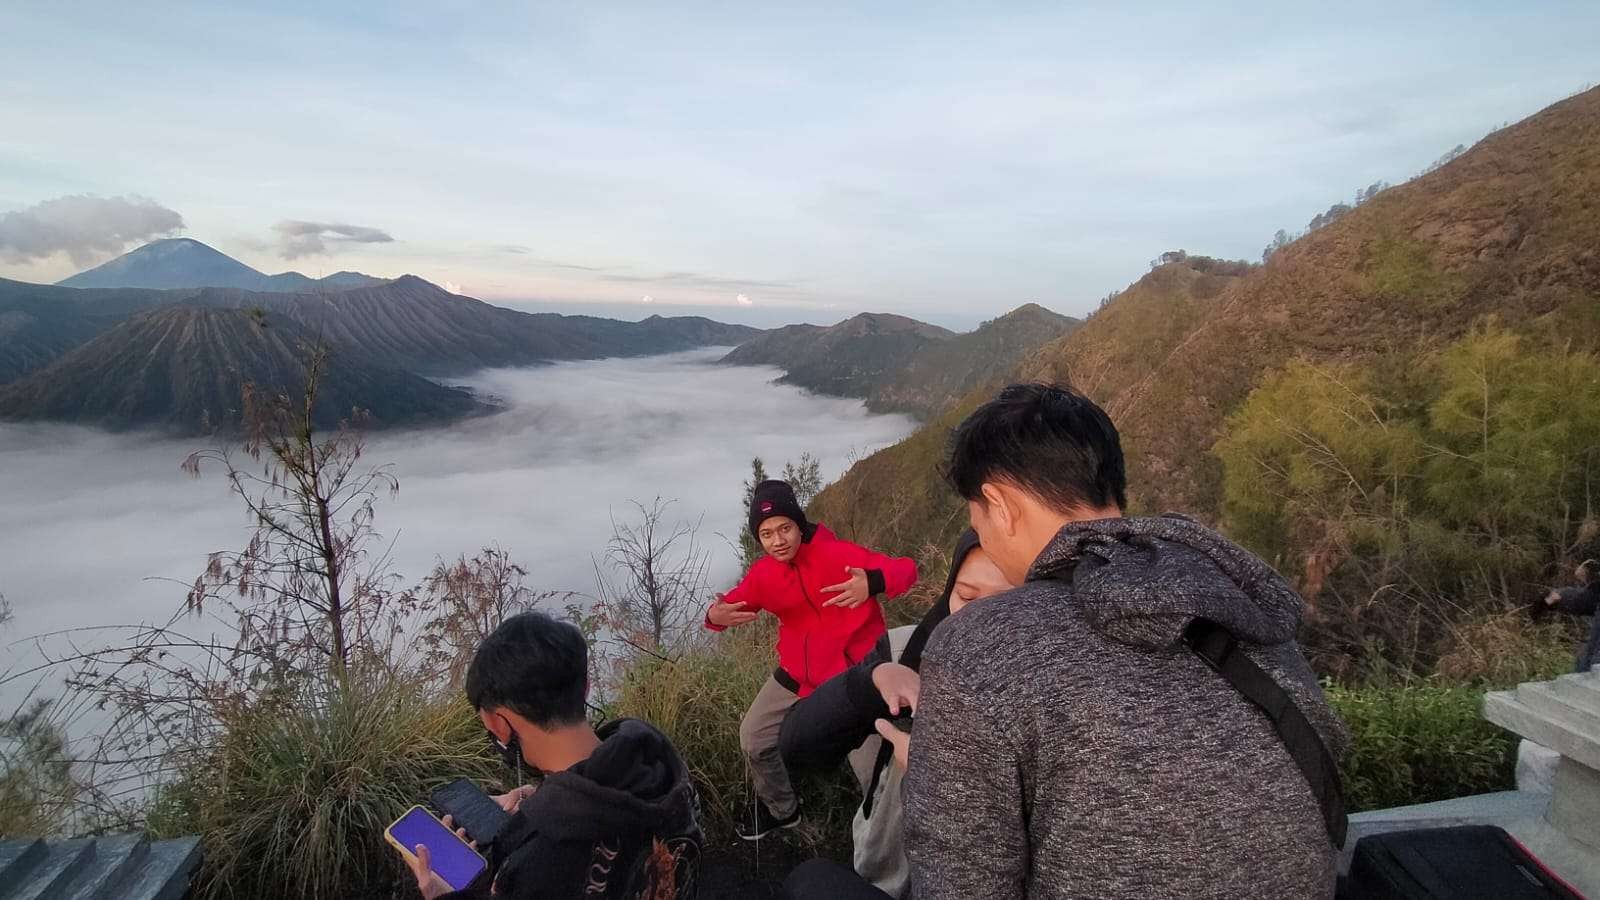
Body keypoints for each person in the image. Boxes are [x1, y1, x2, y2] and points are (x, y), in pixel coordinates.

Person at [898, 382, 1349, 900]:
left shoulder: (980, 643)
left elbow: (961, 884)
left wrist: (940, 777)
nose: (985, 539)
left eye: (975, 516)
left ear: (999, 504)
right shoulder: (1235, 600)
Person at [399, 610, 703, 900]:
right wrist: (544, 799)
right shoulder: (661, 768)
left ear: (498, 723)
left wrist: (443, 894)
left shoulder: (540, 857)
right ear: (585, 687)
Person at [779, 529, 1012, 898]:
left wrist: (943, 775)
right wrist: (870, 682)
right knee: (808, 882)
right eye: (966, 595)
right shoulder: (906, 649)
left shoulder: (1051, 694)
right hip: (884, 874)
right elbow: (798, 747)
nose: (976, 617)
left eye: (1006, 602)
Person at [704, 479, 917, 840]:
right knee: (754, 738)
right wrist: (714, 616)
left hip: (855, 677)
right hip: (798, 674)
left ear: (799, 525)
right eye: (767, 533)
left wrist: (873, 582)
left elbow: (907, 570)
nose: (778, 541)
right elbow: (729, 605)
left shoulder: (837, 555)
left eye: (785, 528)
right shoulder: (764, 575)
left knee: (875, 774)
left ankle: (891, 849)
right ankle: (782, 812)